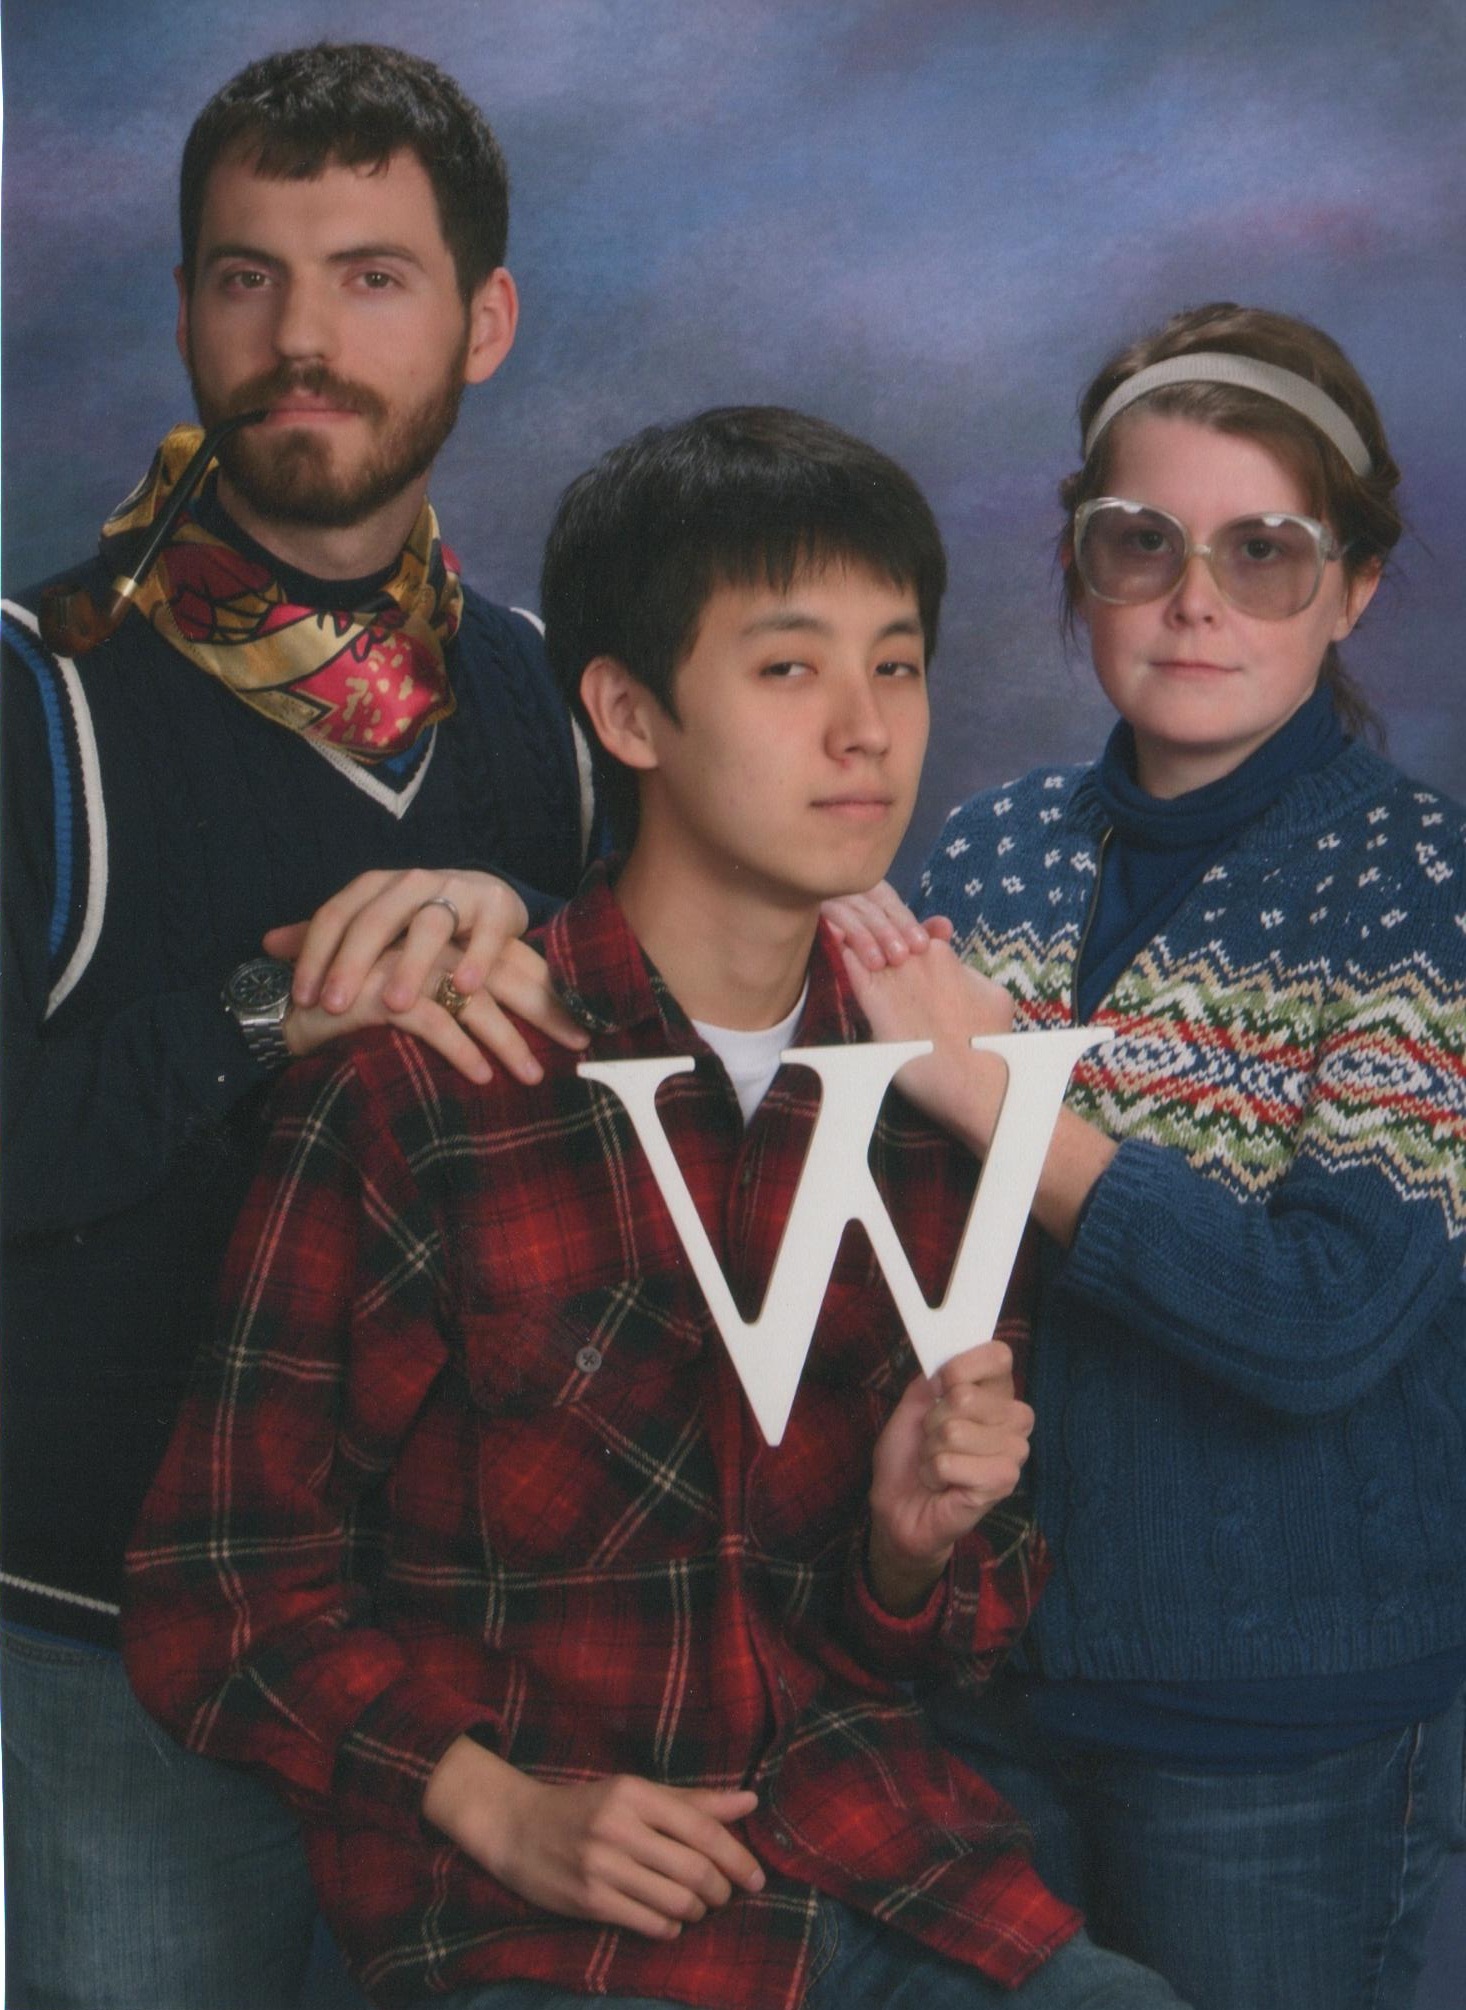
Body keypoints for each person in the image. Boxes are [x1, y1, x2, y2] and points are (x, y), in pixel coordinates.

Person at [124, 406, 1191, 2008]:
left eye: (896, 665)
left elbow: (941, 1627)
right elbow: (219, 1583)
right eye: (789, 667)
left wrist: (906, 1547)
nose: (865, 731)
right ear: (627, 710)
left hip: (882, 1861)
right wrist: (493, 1800)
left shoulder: (936, 1098)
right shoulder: (429, 1090)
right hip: (544, 1924)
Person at [1, 43, 597, 2010]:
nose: (303, 339)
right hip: (110, 1643)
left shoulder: (556, 704)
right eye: (249, 277)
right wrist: (280, 1005)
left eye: (372, 276)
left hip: (486, 1658)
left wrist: (537, 940)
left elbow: (662, 1099)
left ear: (483, 322)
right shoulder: (37, 692)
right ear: (184, 308)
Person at [827, 303, 1466, 2010]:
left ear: (1352, 588)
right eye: (1142, 542)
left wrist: (999, 1096)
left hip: (1271, 1727)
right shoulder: (994, 844)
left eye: (1264, 552)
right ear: (1080, 565)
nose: (1195, 600)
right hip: (979, 1684)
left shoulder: (1423, 887)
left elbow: (1321, 1317)